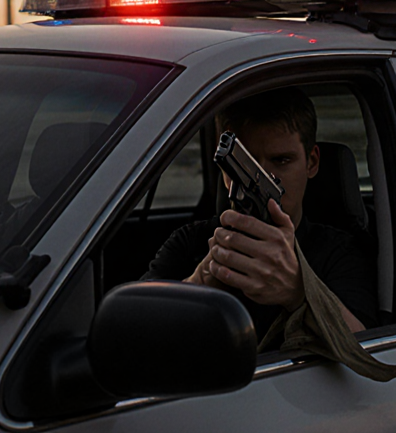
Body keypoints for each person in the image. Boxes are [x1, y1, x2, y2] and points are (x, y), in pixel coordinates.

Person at [142, 87, 377, 339]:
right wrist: (201, 282)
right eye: (247, 165)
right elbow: (132, 328)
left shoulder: (339, 252)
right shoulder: (190, 243)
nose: (265, 179)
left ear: (312, 162)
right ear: (225, 171)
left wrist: (298, 292)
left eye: (281, 161)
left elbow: (366, 351)